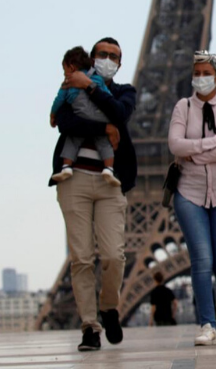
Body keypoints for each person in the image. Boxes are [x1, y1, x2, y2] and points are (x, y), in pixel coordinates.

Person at [49, 37, 137, 352]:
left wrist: (89, 87)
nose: (108, 59)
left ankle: (109, 306)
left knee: (114, 255)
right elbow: (64, 121)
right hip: (73, 181)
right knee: (81, 259)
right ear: (92, 56)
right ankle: (90, 326)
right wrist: (104, 129)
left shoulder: (125, 92)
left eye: (114, 56)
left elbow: (119, 114)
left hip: (110, 183)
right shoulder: (71, 84)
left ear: (120, 63)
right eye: (103, 54)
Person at [168, 51, 216, 346]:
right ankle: (206, 323)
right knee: (201, 260)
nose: (199, 78)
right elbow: (174, 144)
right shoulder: (182, 107)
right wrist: (212, 143)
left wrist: (194, 151)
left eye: (205, 73)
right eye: (196, 72)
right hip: (189, 192)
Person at [50, 47, 120, 187]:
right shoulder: (96, 78)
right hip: (100, 116)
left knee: (72, 140)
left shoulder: (68, 82)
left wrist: (52, 114)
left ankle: (66, 167)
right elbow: (108, 98)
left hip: (82, 115)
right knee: (104, 143)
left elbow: (59, 100)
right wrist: (106, 126)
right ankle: (109, 169)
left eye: (64, 70)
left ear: (71, 67)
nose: (64, 74)